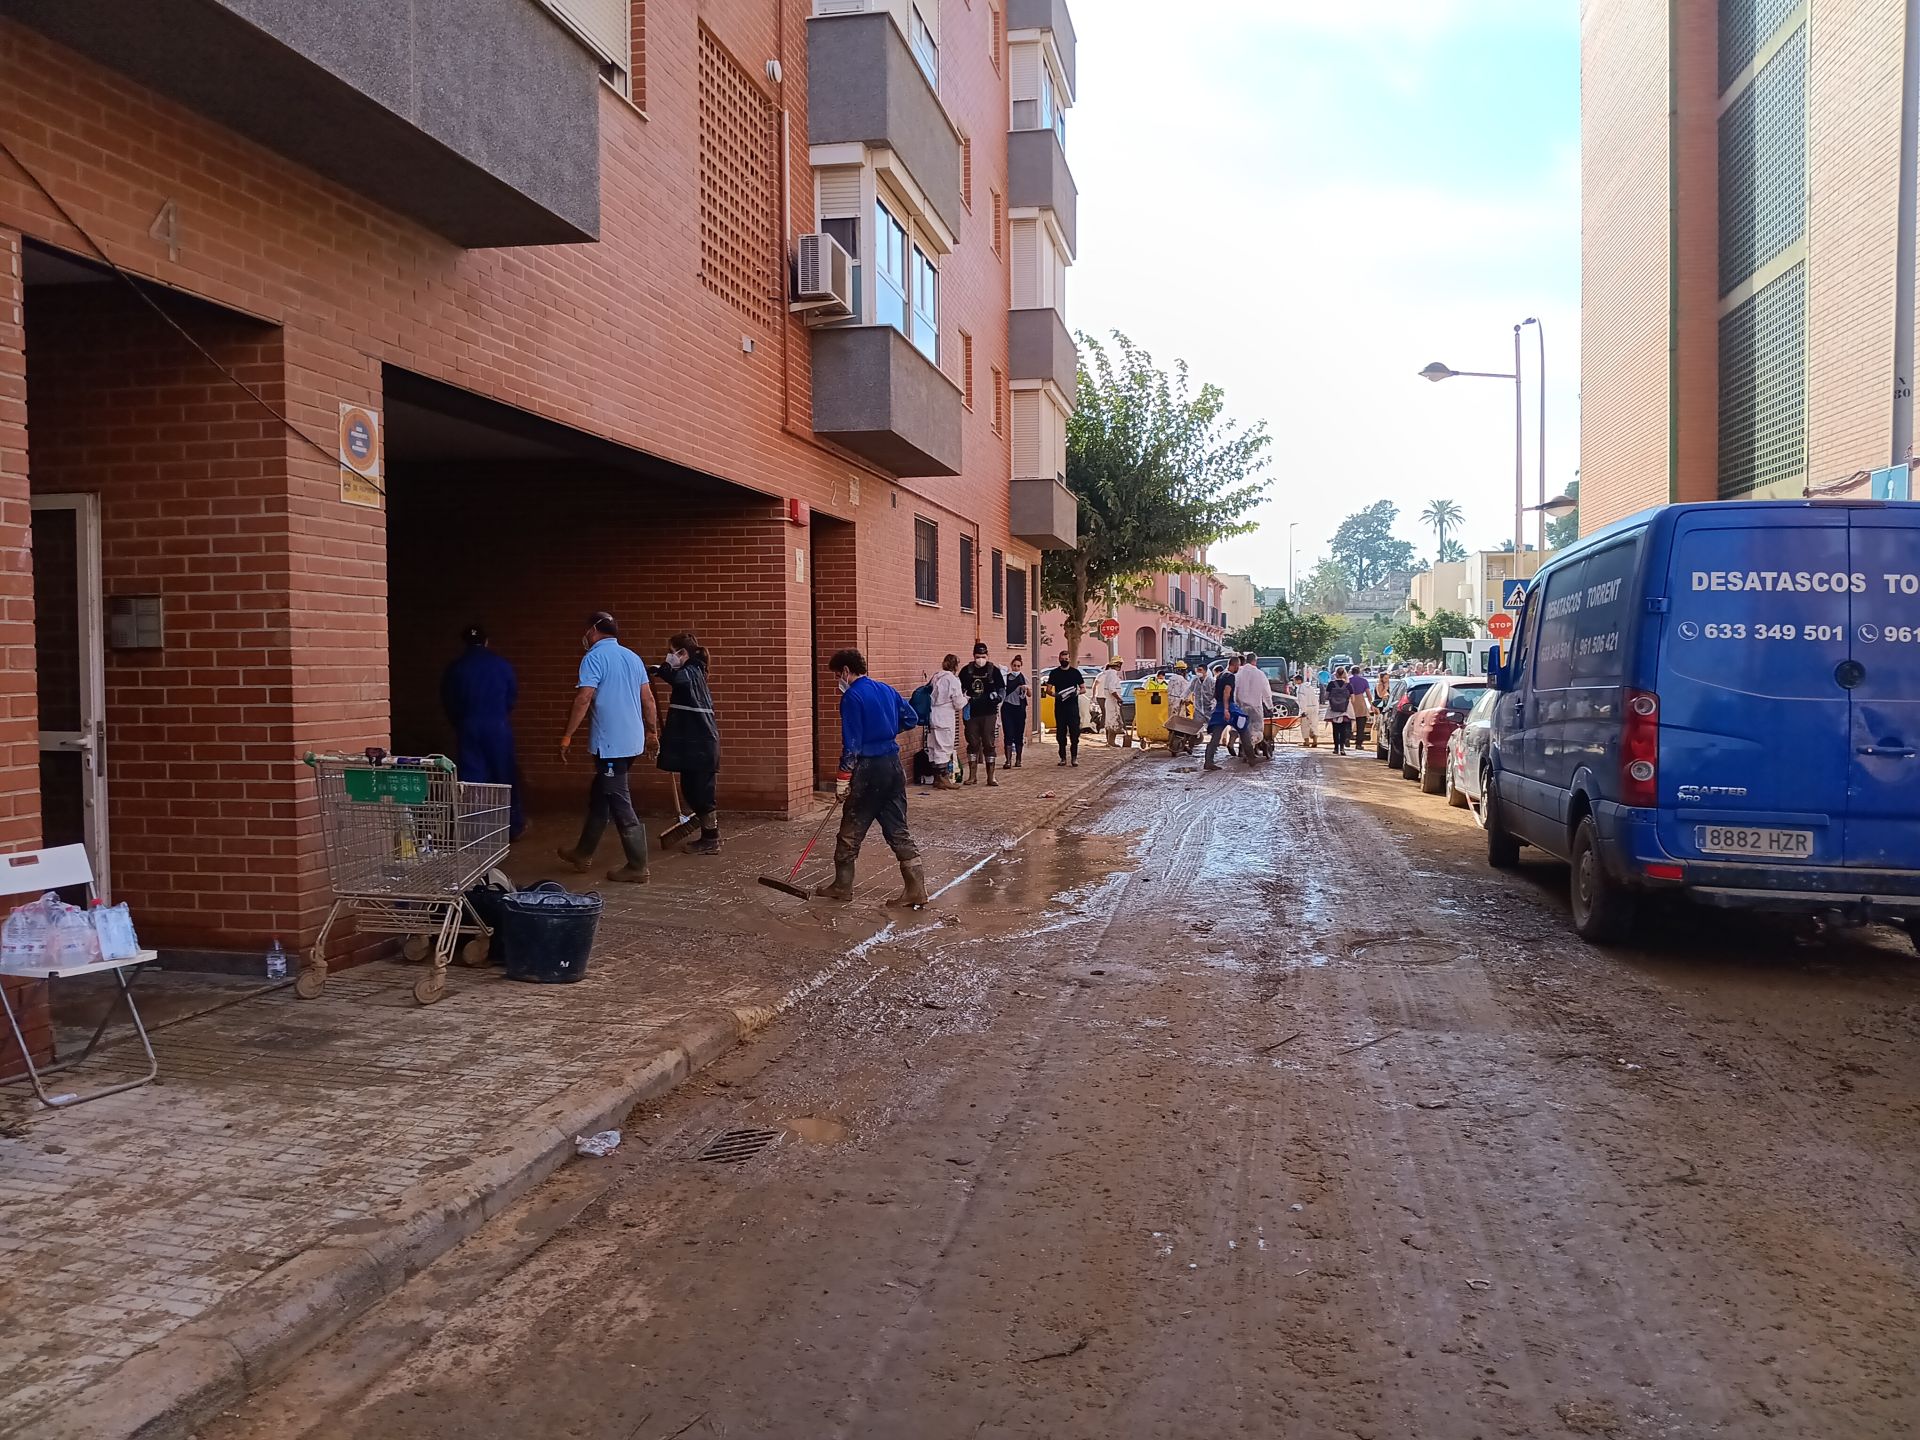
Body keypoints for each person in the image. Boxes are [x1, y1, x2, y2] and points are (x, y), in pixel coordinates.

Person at [815, 649, 927, 907]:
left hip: (869, 770)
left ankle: (842, 886)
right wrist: (886, 730)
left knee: (850, 831)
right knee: (898, 830)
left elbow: (851, 745)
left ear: (845, 671)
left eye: (837, 675)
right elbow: (911, 718)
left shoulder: (852, 697)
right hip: (893, 766)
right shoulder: (886, 689)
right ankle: (916, 889)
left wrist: (843, 778)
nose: (837, 681)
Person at [558, 612, 659, 883]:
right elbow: (648, 699)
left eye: (586, 630)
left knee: (618, 799)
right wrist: (651, 731)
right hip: (632, 742)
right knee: (601, 794)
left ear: (593, 630)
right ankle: (582, 852)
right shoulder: (632, 657)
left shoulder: (593, 658)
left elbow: (584, 698)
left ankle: (638, 865)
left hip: (611, 745)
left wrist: (567, 735)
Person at [439, 624, 524, 839]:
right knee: (504, 776)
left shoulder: (456, 668)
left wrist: (460, 722)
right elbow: (512, 696)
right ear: (486, 641)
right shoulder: (501, 665)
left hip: (469, 725)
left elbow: (449, 700)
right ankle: (511, 827)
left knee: (471, 778)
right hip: (497, 725)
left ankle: (472, 830)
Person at [653, 631, 721, 854]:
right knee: (692, 790)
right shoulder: (693, 671)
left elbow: (679, 680)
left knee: (701, 792)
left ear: (683, 653)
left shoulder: (692, 671)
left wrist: (664, 668)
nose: (669, 656)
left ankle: (711, 839)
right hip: (695, 746)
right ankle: (708, 834)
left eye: (672, 652)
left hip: (701, 746)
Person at [957, 641, 1007, 786]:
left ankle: (991, 777)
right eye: (978, 656)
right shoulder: (966, 671)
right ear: (973, 656)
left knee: (988, 743)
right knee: (972, 743)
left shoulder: (993, 670)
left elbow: (1002, 689)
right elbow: (958, 689)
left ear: (987, 655)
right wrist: (964, 696)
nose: (980, 659)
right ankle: (972, 776)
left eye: (983, 656)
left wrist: (999, 698)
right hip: (971, 712)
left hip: (989, 712)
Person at [927, 655, 964, 788]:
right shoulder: (952, 680)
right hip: (945, 716)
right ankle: (943, 778)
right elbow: (958, 703)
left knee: (934, 746)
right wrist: (967, 698)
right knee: (944, 746)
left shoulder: (936, 677)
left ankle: (937, 777)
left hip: (933, 714)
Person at [1205, 655, 1246, 771]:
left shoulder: (1220, 675)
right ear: (1235, 665)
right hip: (1227, 707)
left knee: (1216, 736)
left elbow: (1214, 692)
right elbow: (1226, 693)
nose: (1238, 668)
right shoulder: (1230, 676)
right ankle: (1247, 752)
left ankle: (1208, 760)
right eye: (1238, 666)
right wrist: (1227, 709)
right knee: (1243, 726)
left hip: (1219, 707)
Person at [1043, 651, 1083, 766]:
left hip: (1073, 707)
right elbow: (1048, 690)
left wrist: (1076, 693)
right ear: (1059, 659)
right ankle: (1063, 757)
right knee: (1061, 732)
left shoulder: (1075, 673)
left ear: (1069, 659)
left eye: (1066, 658)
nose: (1064, 660)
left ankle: (1074, 757)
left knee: (1075, 732)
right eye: (1062, 658)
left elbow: (1083, 688)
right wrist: (1056, 695)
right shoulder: (1054, 673)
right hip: (1060, 707)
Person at [1232, 653, 1273, 765]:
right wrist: (1270, 706)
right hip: (1256, 707)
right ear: (1255, 661)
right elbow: (1266, 692)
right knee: (1257, 730)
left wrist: (1235, 704)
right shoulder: (1260, 674)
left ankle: (1246, 750)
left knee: (1243, 730)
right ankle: (1251, 747)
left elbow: (1234, 691)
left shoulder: (1238, 674)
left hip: (1241, 708)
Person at [1001, 655, 1030, 768]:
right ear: (1011, 666)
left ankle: (1018, 759)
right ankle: (1008, 760)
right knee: (1008, 733)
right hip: (1008, 707)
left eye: (1018, 666)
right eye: (1014, 666)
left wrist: (1026, 688)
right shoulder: (1006, 678)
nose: (1016, 668)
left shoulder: (1023, 678)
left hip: (1019, 708)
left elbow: (1029, 694)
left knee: (1019, 733)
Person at [1094, 658, 1126, 746]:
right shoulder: (1112, 674)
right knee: (1113, 722)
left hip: (1109, 701)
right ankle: (1111, 742)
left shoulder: (1107, 673)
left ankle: (1110, 742)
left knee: (1110, 721)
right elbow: (1112, 689)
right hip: (1112, 701)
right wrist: (1119, 698)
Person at [1326, 665, 1355, 755]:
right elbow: (1353, 699)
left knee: (1335, 729)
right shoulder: (1348, 685)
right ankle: (1342, 748)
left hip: (1333, 709)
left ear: (1336, 674)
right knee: (1343, 729)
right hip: (1345, 710)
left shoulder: (1331, 684)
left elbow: (1326, 696)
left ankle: (1335, 748)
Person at [1292, 667, 1323, 749]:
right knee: (1314, 725)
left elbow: (1302, 701)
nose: (1294, 682)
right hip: (1314, 708)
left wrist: (1303, 711)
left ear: (1299, 680)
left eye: (1294, 680)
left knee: (1305, 726)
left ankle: (1307, 741)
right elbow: (1316, 698)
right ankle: (1315, 741)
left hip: (1306, 708)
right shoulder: (1310, 687)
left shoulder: (1300, 689)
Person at [1348, 669, 1373, 752]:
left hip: (1350, 701)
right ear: (1359, 672)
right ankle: (1359, 743)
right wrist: (1372, 704)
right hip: (1360, 701)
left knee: (1348, 722)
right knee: (1361, 723)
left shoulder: (1348, 680)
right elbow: (1368, 694)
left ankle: (1346, 739)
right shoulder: (1364, 681)